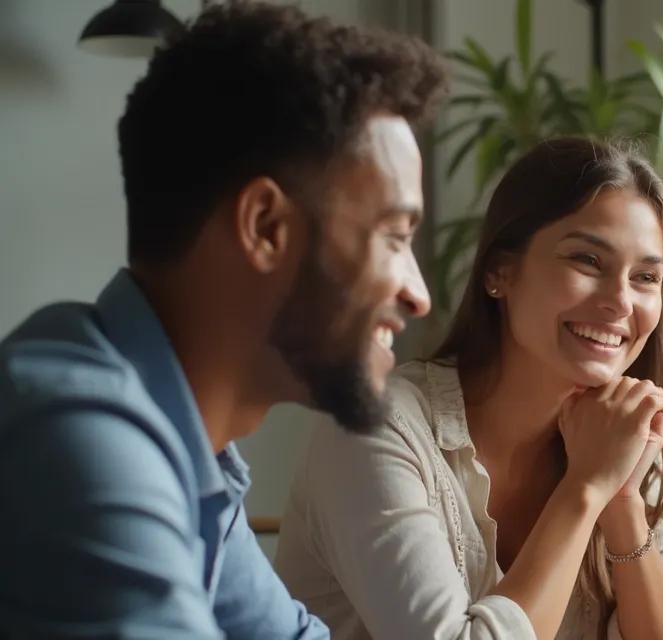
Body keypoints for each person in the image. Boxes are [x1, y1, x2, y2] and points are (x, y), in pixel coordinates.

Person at [0, 2, 446, 637]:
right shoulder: (79, 438)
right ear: (266, 227)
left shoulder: (188, 449)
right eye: (394, 237)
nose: (419, 295)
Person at [274, 137, 663, 640]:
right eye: (587, 261)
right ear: (499, 272)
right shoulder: (377, 427)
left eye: (645, 277)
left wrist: (621, 504)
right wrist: (585, 487)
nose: (621, 302)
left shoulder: (617, 431)